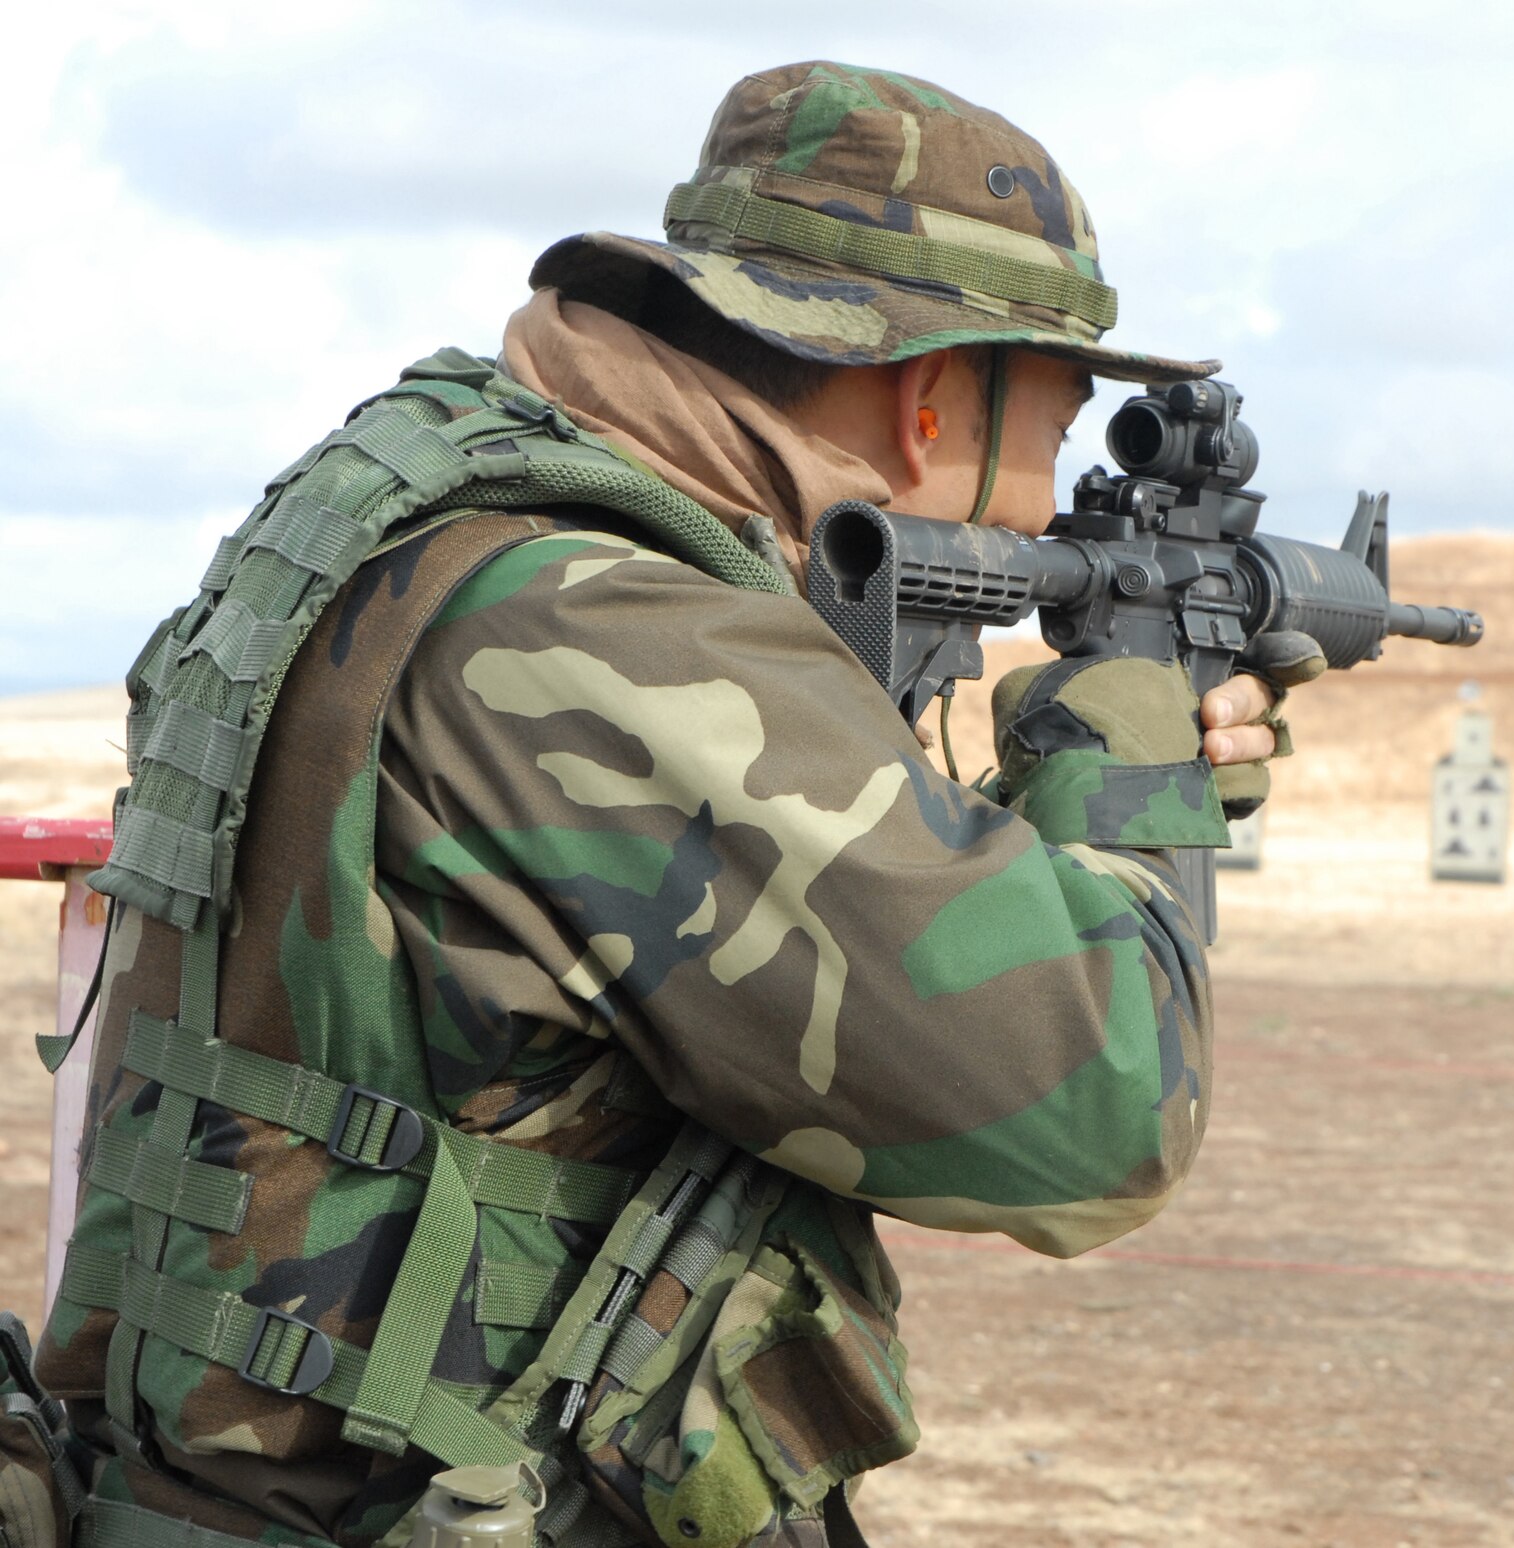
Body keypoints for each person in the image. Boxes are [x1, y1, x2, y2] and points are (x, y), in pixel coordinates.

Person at [33, 61, 1296, 1548]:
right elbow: (1099, 1115)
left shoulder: (404, 504)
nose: (1053, 493)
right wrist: (1123, 759)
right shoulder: (617, 633)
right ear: (936, 397)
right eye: (1062, 421)